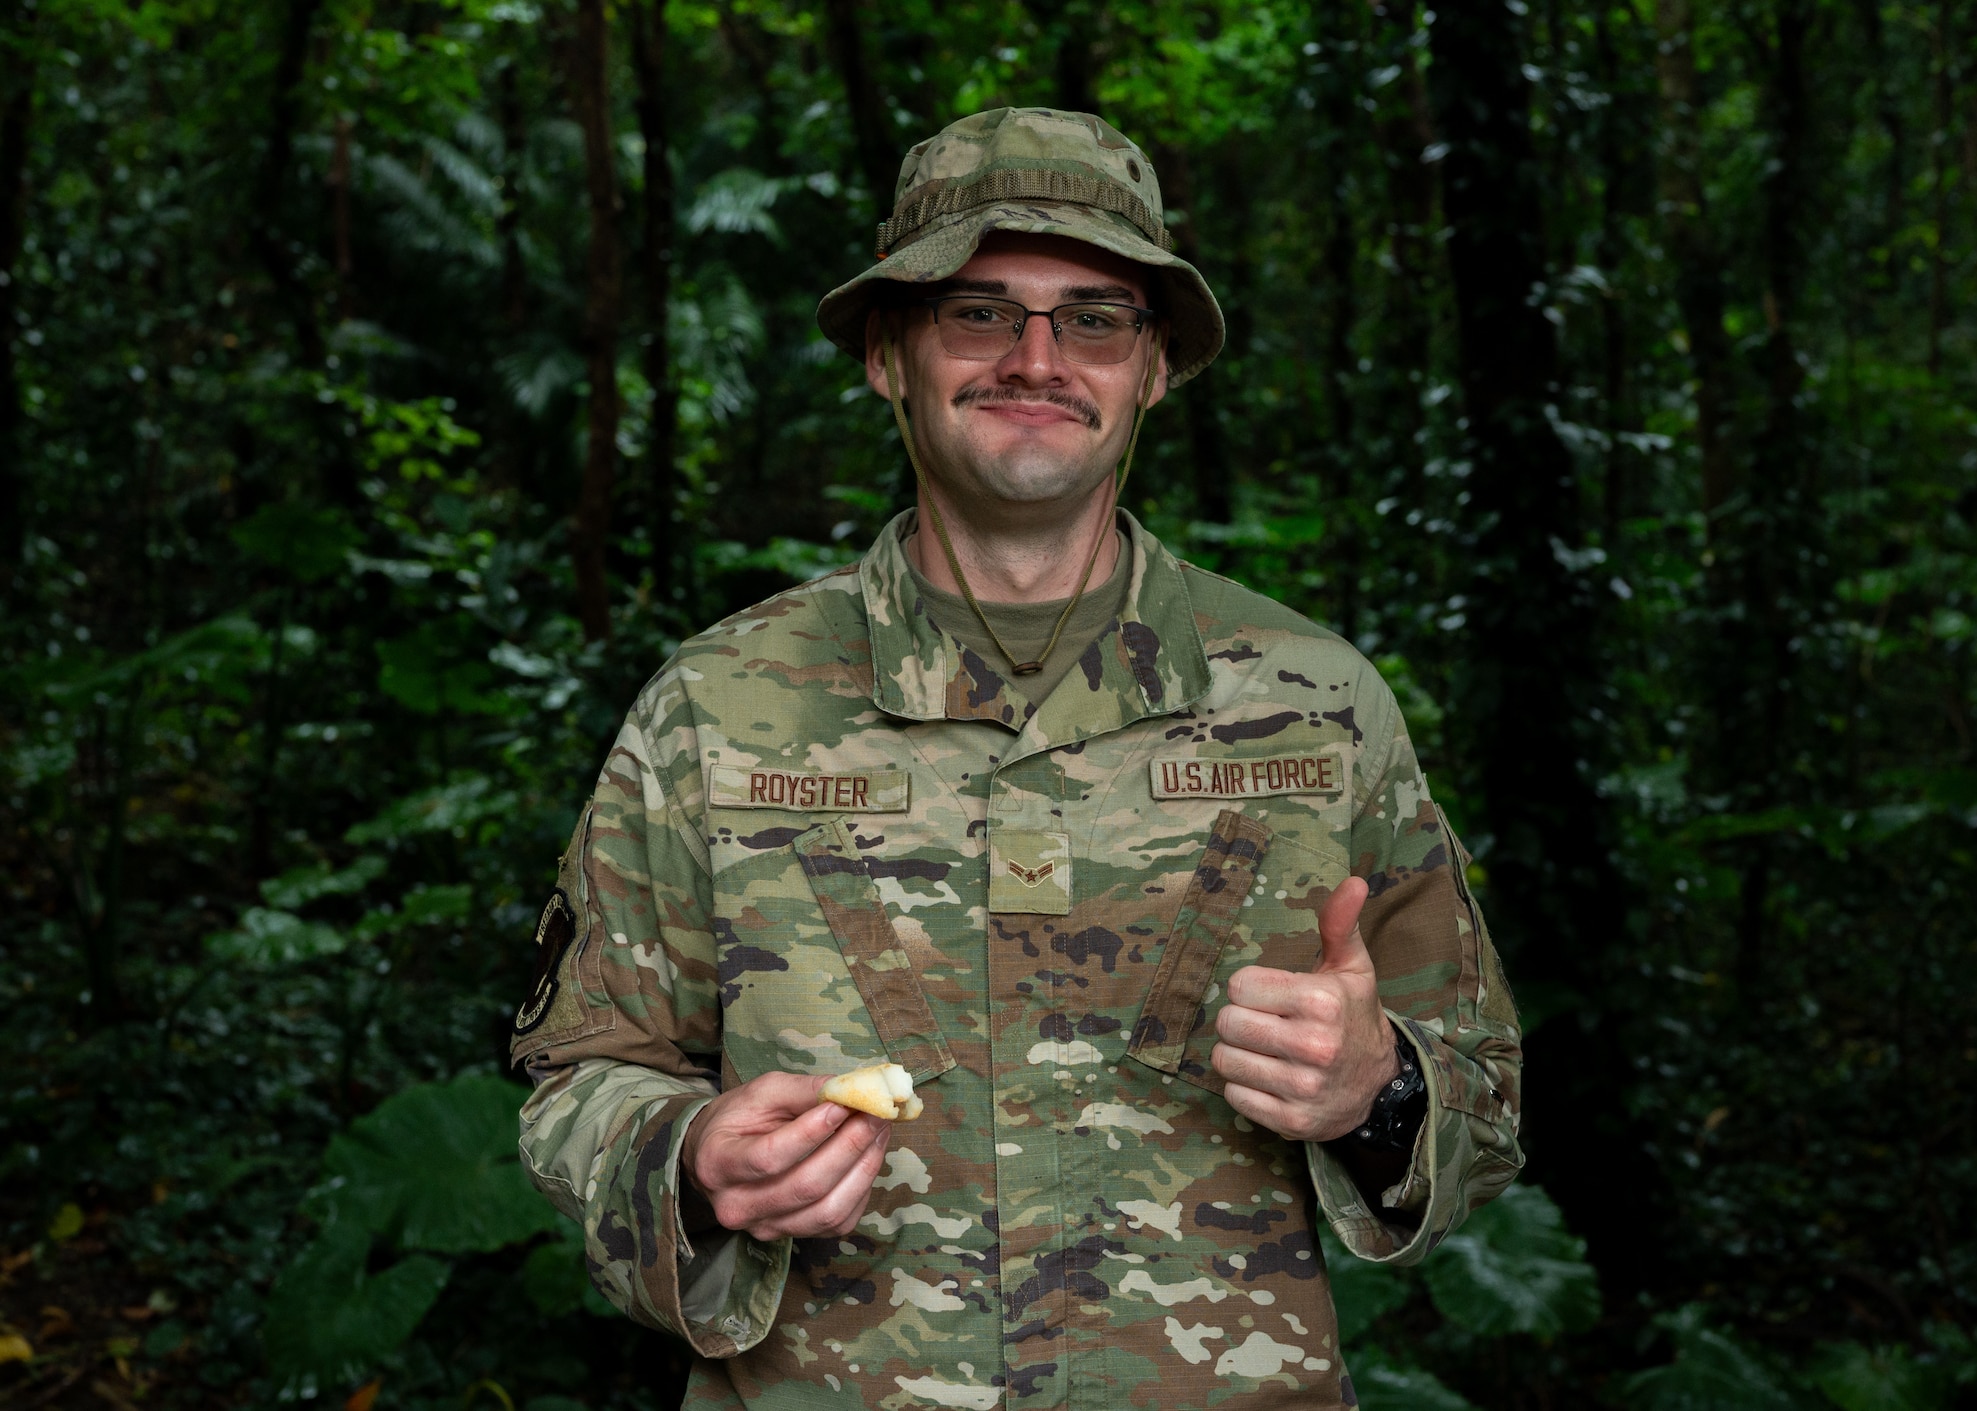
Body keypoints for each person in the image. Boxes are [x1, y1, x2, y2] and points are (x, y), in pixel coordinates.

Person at [511, 106, 1523, 1410]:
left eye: (1095, 316)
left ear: (1155, 368)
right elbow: (575, 1078)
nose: (1037, 357)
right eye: (978, 312)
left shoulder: (1315, 706)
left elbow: (1482, 1093)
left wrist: (1378, 1092)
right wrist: (689, 1161)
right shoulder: (716, 709)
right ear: (890, 354)